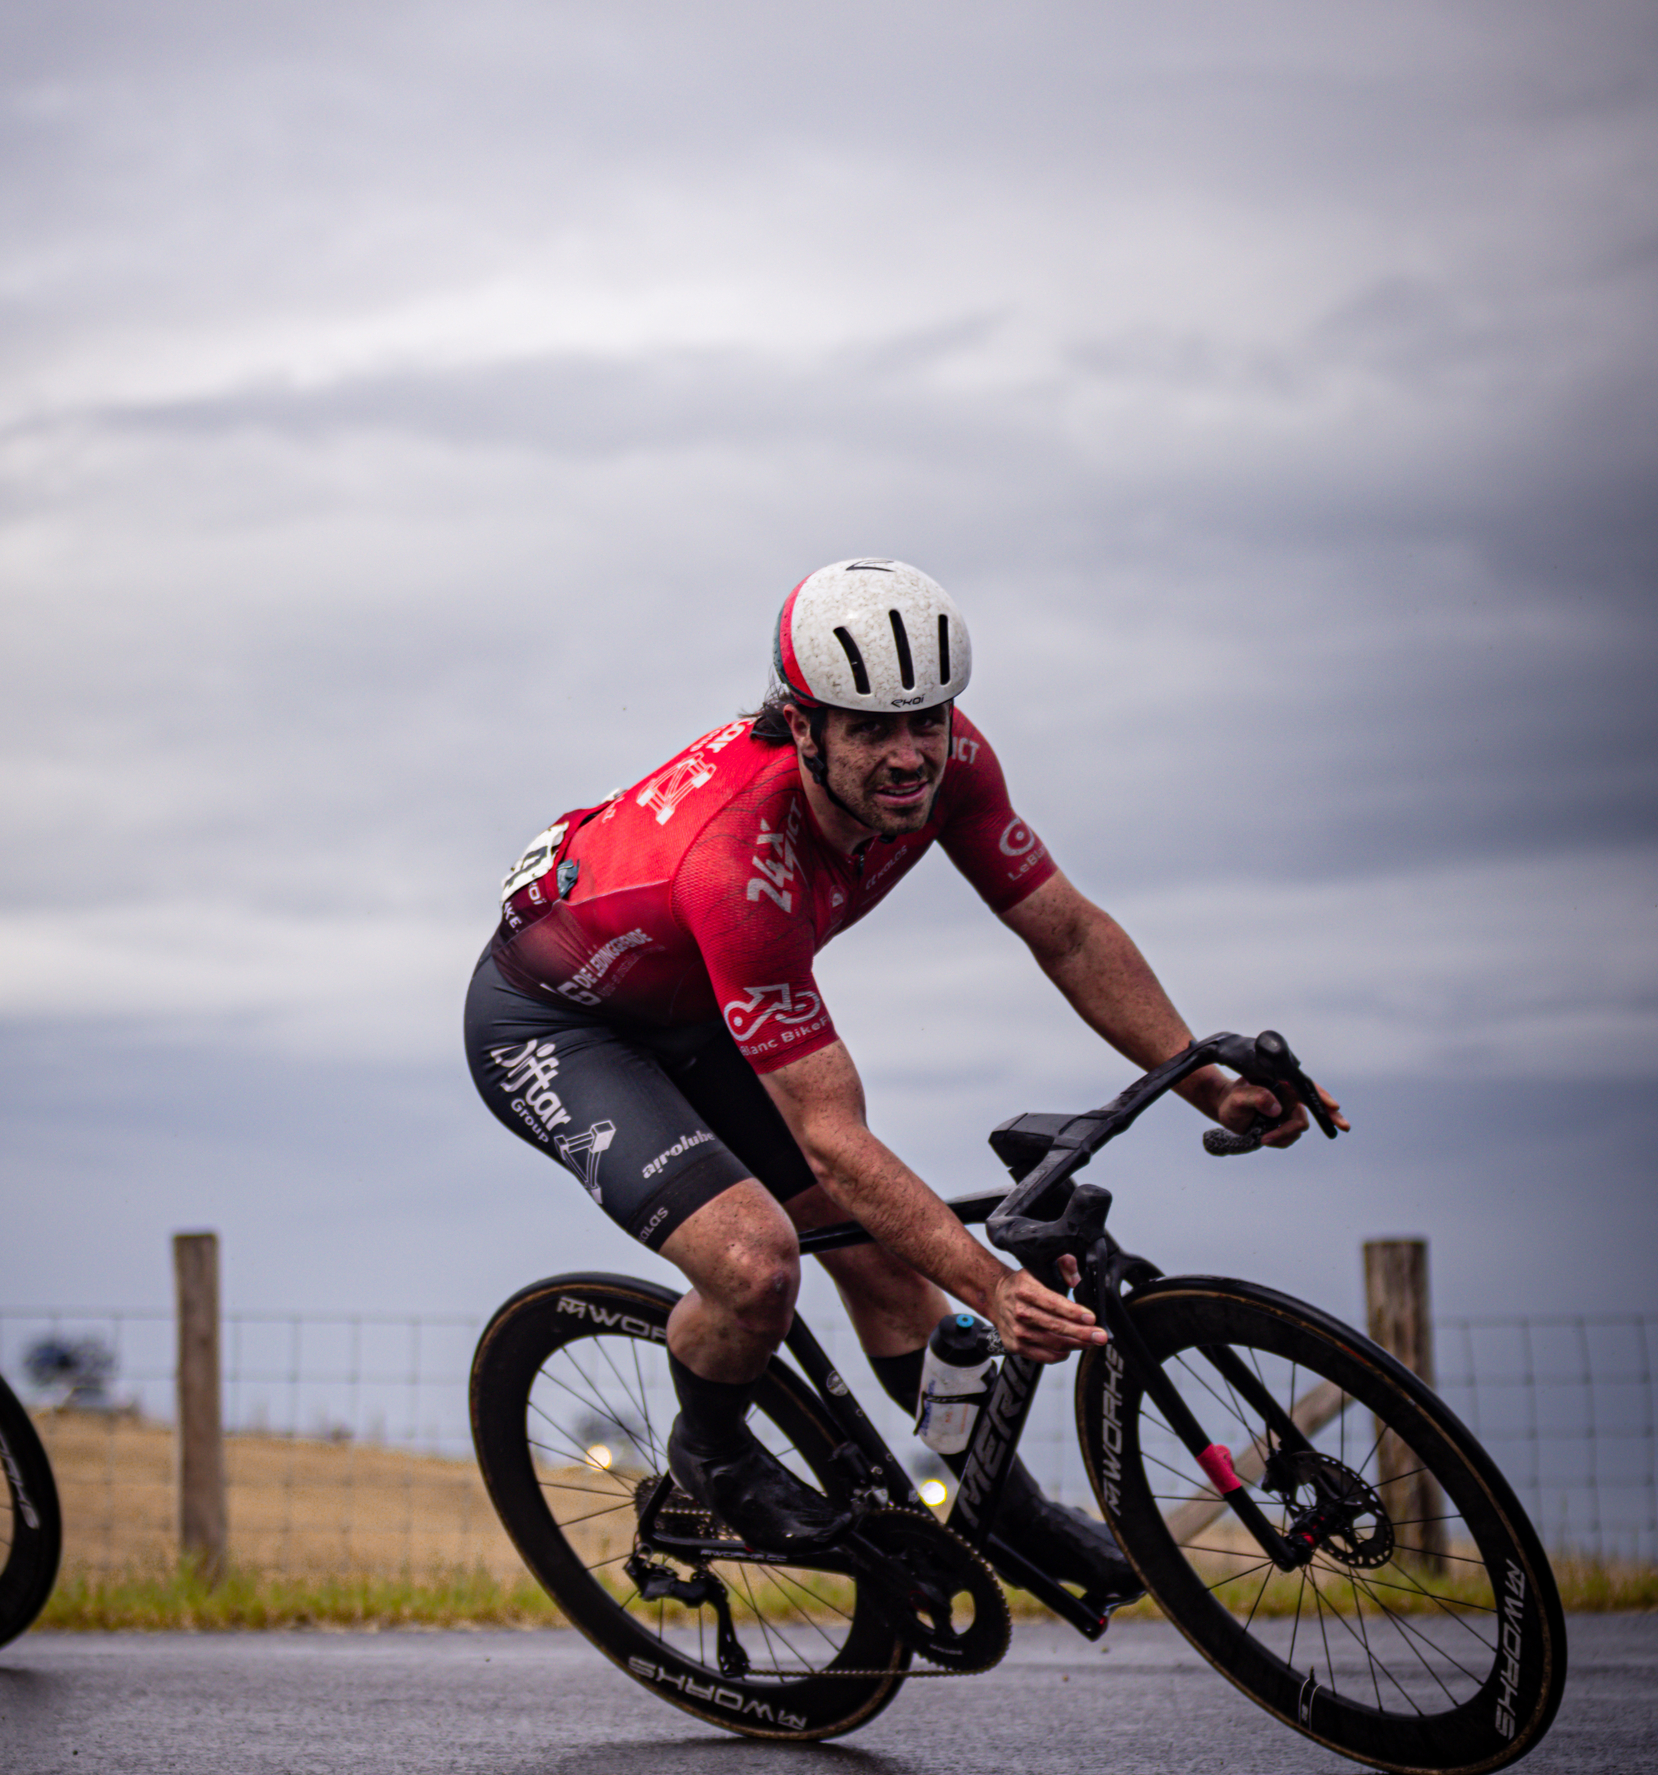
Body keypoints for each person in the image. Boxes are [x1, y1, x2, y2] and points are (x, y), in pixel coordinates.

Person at [464, 557, 1341, 1604]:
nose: (908, 756)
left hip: (697, 1006)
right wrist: (994, 1286)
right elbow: (832, 1134)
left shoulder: (953, 766)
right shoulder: (738, 865)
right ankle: (709, 1459)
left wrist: (1200, 1079)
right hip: (559, 1026)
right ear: (802, 727)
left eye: (926, 719)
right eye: (871, 729)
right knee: (756, 1264)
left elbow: (1061, 930)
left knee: (886, 1265)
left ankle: (998, 1504)